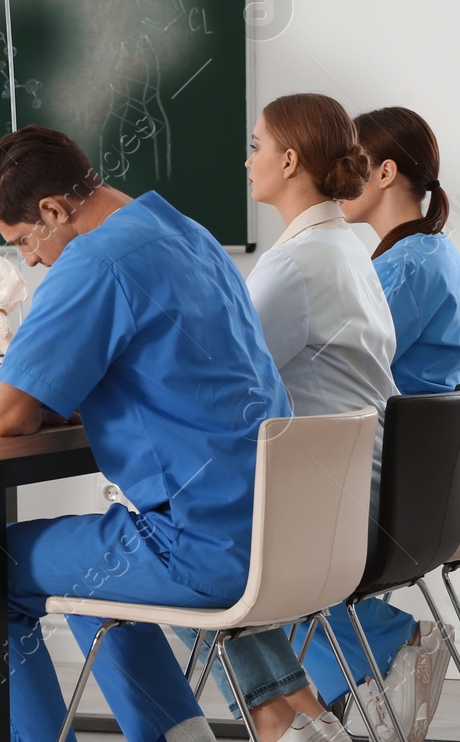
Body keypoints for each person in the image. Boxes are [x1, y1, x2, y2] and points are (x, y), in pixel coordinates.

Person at [0, 124, 291, 742]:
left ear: (53, 211)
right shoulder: (187, 231)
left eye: (23, 243)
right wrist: (42, 399)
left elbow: (5, 418)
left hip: (202, 549)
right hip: (277, 527)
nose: (33, 260)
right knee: (88, 577)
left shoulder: (94, 259)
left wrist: (5, 395)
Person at [182, 93, 438, 742]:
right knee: (202, 525)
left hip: (338, 507)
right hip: (381, 494)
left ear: (290, 159)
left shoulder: (295, 264)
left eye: (257, 145)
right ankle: (302, 718)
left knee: (182, 539)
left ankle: (285, 721)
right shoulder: (347, 249)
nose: (247, 160)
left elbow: (216, 379)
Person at [343, 106, 460, 395]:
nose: (338, 183)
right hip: (431, 433)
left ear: (385, 173)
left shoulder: (402, 266)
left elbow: (349, 369)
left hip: (396, 433)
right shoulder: (437, 248)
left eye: (349, 166)